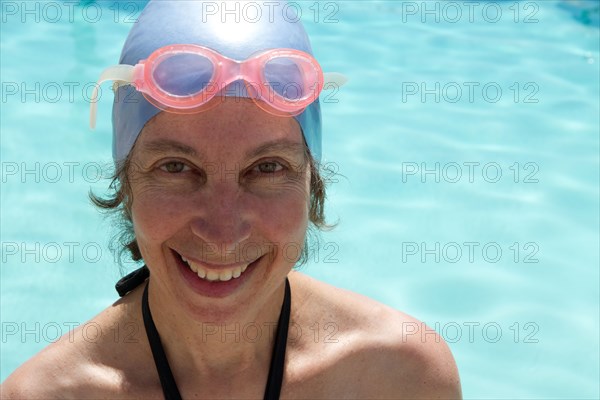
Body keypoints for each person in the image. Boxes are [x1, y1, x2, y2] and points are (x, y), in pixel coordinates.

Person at [2, 1, 461, 398]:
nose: (223, 233)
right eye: (177, 168)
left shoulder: (401, 378)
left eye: (266, 168)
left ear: (312, 184)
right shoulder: (47, 394)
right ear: (127, 185)